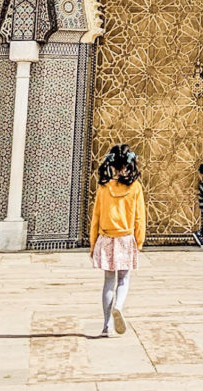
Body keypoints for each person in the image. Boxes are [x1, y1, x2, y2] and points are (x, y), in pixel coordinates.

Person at [89, 144, 145, 337]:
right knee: (123, 279)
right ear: (128, 165)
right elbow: (140, 217)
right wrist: (139, 241)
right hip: (125, 237)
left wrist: (92, 243)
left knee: (108, 281)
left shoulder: (103, 188)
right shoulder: (135, 188)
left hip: (105, 237)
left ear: (112, 165)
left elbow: (95, 217)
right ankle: (118, 307)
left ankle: (106, 326)